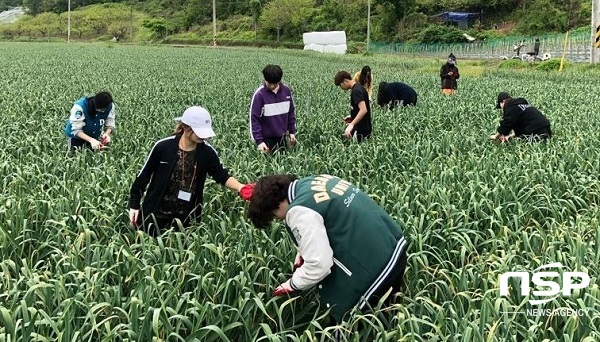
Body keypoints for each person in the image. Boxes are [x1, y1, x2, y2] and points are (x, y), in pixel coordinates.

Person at [246, 174, 409, 327]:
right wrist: (302, 253)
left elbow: (319, 265)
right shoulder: (315, 181)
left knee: (343, 330)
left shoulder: (297, 210)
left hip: (376, 272)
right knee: (388, 320)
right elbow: (326, 224)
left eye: (274, 216)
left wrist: (293, 284)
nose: (278, 219)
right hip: (394, 248)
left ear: (276, 204)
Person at [128, 106, 254, 237]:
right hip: (155, 214)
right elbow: (143, 176)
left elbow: (221, 174)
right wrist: (134, 205)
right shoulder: (163, 147)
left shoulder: (207, 153)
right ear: (186, 127)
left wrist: (241, 187)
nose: (204, 137)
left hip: (187, 217)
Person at [249, 65, 297, 152]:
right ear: (265, 79)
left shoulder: (286, 91)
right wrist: (259, 142)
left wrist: (291, 132)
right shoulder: (259, 95)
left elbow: (291, 113)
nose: (271, 86)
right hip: (265, 140)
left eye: (274, 84)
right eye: (269, 83)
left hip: (282, 138)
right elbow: (254, 119)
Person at [334, 70, 372, 142]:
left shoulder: (356, 91)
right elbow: (361, 108)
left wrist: (351, 125)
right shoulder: (359, 87)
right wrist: (352, 116)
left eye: (340, 85)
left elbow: (363, 110)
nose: (341, 88)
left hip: (361, 129)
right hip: (364, 127)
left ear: (345, 81)